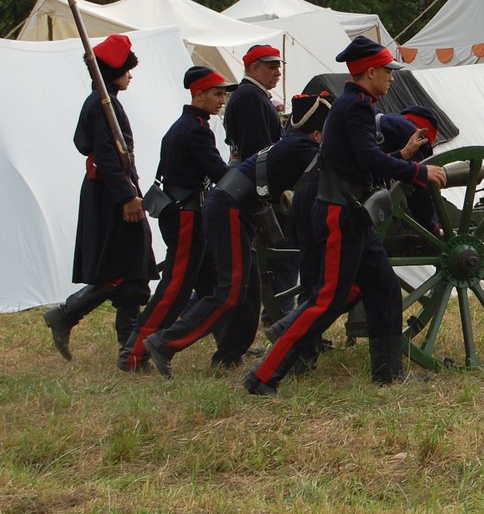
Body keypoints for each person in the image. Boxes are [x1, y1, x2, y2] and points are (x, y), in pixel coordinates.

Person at [244, 37, 448, 395]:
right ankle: (263, 376)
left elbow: (359, 162)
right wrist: (418, 171)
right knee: (328, 299)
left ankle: (388, 373)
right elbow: (369, 159)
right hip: (340, 213)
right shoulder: (354, 107)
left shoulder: (355, 105)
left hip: (355, 214)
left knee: (384, 288)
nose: (391, 79)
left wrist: (402, 155)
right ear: (370, 72)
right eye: (387, 72)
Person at [130, 93, 330, 377]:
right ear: (317, 133)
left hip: (236, 207)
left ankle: (228, 354)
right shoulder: (304, 148)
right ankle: (164, 343)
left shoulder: (295, 143)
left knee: (248, 291)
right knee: (230, 291)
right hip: (231, 207)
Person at [44, 35, 158, 361]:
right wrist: (127, 196)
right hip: (111, 195)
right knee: (123, 266)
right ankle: (70, 317)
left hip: (114, 190)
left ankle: (128, 349)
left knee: (131, 268)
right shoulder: (100, 104)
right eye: (127, 69)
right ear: (114, 71)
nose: (131, 75)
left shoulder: (107, 101)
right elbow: (108, 157)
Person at [121, 66, 237, 373]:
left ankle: (231, 348)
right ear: (198, 94)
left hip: (186, 212)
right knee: (176, 287)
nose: (221, 99)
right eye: (216, 93)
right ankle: (134, 352)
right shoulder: (194, 129)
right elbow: (219, 173)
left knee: (212, 284)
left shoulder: (189, 124)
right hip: (185, 214)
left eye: (223, 94)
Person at [223, 44, 284, 163]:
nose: (278, 73)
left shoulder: (253, 94)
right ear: (255, 69)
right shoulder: (249, 96)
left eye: (278, 68)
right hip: (254, 173)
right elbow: (256, 148)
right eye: (272, 67)